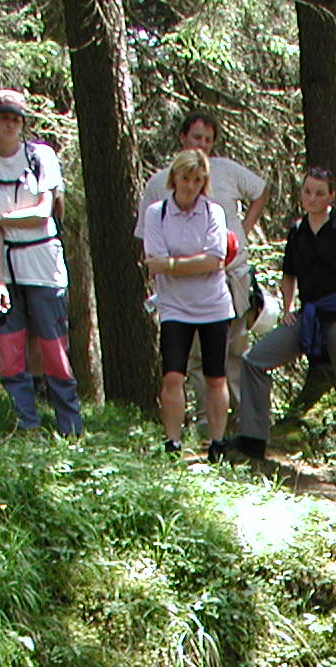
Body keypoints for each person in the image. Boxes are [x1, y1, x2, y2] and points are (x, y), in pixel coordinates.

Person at [232, 166, 336, 489]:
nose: (313, 198)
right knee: (254, 360)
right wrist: (289, 308)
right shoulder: (297, 232)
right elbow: (289, 274)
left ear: (331, 195)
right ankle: (252, 440)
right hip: (308, 316)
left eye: (321, 193)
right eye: (308, 192)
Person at [0, 88, 83, 436]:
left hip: (44, 265)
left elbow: (42, 212)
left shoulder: (41, 158)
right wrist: (0, 280)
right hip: (1, 270)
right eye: (4, 117)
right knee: (11, 349)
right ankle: (26, 425)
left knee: (53, 349)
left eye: (16, 119)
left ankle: (70, 427)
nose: (10, 125)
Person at [138, 112, 268, 423]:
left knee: (236, 350)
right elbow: (146, 237)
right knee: (194, 359)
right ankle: (205, 420)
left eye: (208, 140)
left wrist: (243, 232)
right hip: (181, 289)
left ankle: (244, 422)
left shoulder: (225, 171)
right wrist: (168, 266)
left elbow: (261, 190)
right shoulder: (159, 183)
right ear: (183, 137)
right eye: (197, 137)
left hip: (232, 274)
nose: (203, 144)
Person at [141, 149, 235, 457]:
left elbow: (215, 260)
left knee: (215, 376)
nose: (190, 186)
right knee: (173, 376)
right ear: (174, 178)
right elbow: (153, 260)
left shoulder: (213, 213)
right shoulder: (157, 213)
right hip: (174, 306)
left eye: (197, 180)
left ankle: (218, 443)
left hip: (214, 305)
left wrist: (171, 264)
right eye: (185, 178)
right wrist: (181, 264)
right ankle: (173, 442)